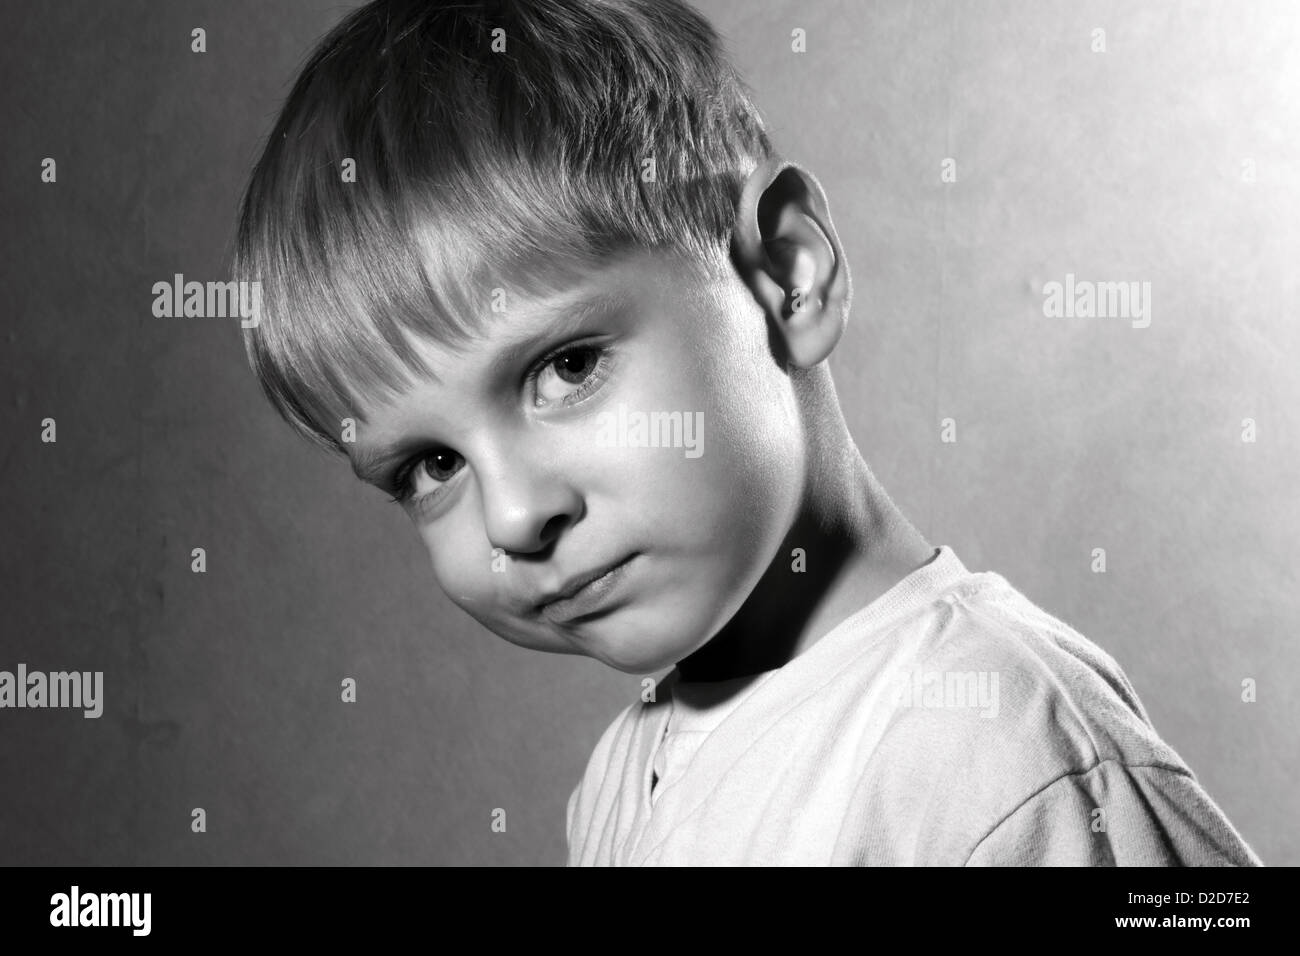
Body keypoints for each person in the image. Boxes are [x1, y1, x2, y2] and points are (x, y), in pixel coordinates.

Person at [232, 0, 1262, 866]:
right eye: (431, 464)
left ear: (785, 273)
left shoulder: (1000, 752)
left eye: (567, 366)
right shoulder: (615, 785)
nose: (513, 515)